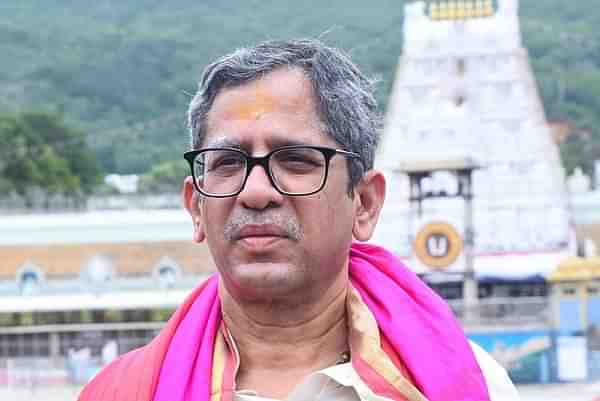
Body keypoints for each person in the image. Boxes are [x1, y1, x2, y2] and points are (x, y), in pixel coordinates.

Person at [78, 39, 519, 401]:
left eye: (295, 160)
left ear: (363, 204)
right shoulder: (123, 392)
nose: (255, 192)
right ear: (196, 207)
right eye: (227, 162)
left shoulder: (470, 385)